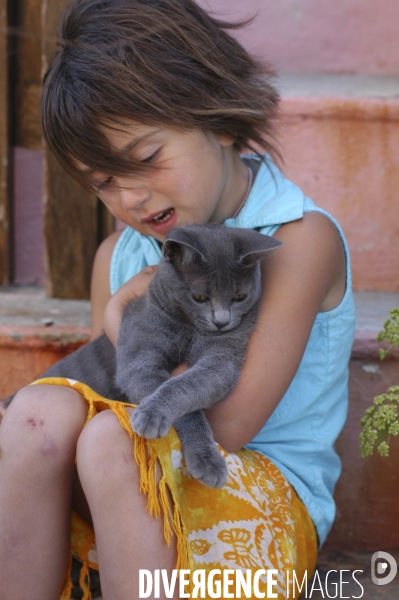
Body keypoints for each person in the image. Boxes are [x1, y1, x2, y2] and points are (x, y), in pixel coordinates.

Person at [0, 0, 355, 598]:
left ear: (217, 119)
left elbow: (230, 422)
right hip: (133, 504)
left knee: (116, 436)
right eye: (104, 181)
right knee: (39, 414)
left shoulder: (296, 241)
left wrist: (120, 318)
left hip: (253, 506)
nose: (131, 197)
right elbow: (114, 390)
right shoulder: (118, 257)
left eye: (144, 159)